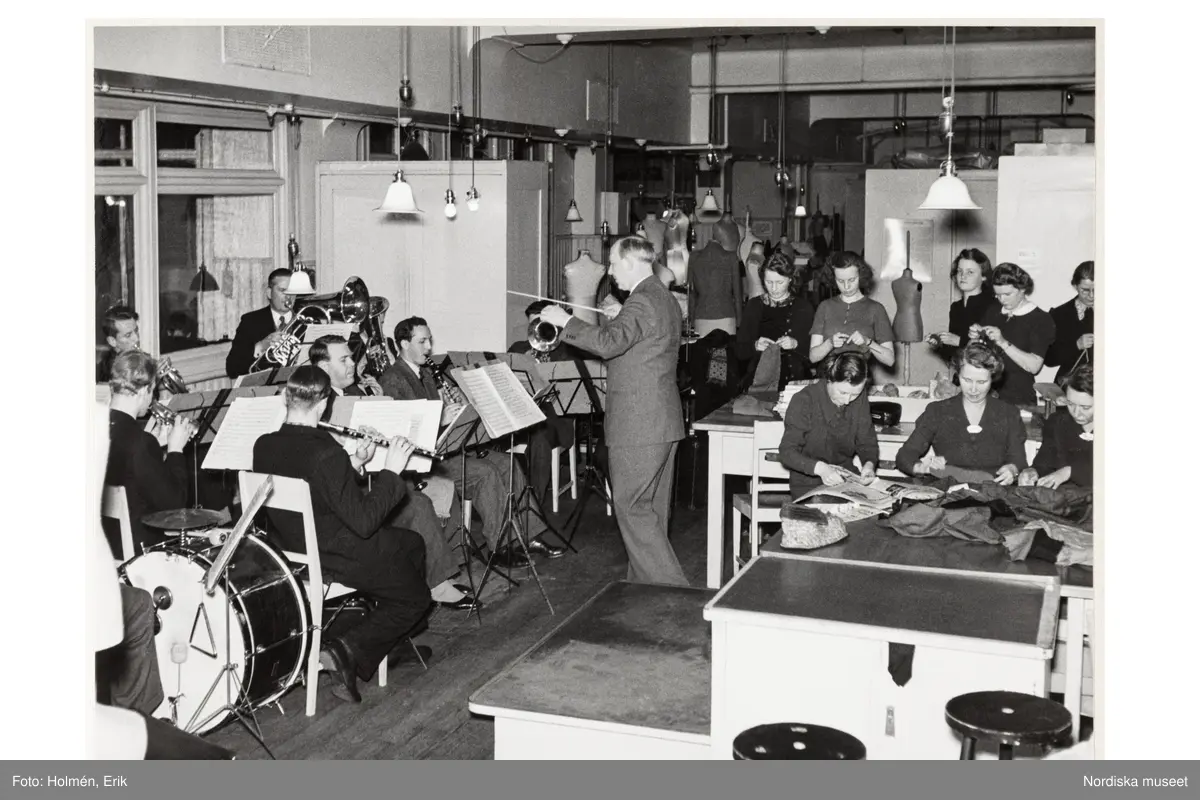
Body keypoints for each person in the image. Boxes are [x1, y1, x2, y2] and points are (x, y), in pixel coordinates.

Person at [253, 366, 433, 703]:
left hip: (293, 549)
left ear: (287, 399)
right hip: (337, 554)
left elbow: (315, 482)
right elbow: (364, 522)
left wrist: (355, 461)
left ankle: (386, 640)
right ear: (323, 404)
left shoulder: (264, 445)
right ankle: (346, 650)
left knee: (412, 544)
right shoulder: (326, 452)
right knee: (417, 599)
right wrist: (391, 471)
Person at [539, 236, 689, 586]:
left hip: (639, 424)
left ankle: (677, 597)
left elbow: (608, 345)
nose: (609, 270)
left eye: (614, 263)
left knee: (632, 509)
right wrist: (620, 317)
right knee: (651, 512)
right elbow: (639, 340)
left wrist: (565, 321)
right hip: (662, 421)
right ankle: (645, 592)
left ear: (632, 262)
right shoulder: (661, 297)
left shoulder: (641, 300)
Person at [378, 317, 565, 564]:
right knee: (485, 473)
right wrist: (441, 417)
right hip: (423, 460)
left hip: (446, 448)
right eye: (422, 341)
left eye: (429, 340)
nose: (429, 347)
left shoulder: (425, 372)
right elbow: (404, 431)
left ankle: (528, 536)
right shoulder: (393, 379)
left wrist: (460, 408)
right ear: (404, 344)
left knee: (508, 464)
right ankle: (499, 548)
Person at [310, 335, 477, 609]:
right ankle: (438, 585)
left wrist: (380, 401)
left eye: (351, 357)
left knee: (439, 487)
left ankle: (441, 570)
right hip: (351, 488)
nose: (353, 363)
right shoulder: (318, 403)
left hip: (375, 473)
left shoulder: (356, 391)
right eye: (344, 359)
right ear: (324, 367)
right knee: (416, 504)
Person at [896, 341, 1028, 484]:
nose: (973, 389)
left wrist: (1012, 469)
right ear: (958, 375)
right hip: (947, 488)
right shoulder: (938, 411)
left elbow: (1018, 459)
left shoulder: (1008, 413)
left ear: (992, 379)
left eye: (981, 382)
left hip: (993, 489)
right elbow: (905, 455)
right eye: (967, 380)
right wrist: (921, 467)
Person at [105, 350, 197, 553]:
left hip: (102, 548)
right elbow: (175, 507)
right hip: (140, 552)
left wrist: (154, 442)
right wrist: (175, 450)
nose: (151, 399)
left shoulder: (94, 426)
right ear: (144, 390)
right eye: (152, 391)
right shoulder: (141, 443)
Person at [777, 352, 879, 498]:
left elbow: (867, 442)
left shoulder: (859, 399)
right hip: (808, 484)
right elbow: (787, 453)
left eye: (855, 394)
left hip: (845, 480)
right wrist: (821, 469)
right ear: (829, 379)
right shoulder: (804, 400)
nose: (847, 400)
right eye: (842, 392)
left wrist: (869, 465)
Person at [508, 301, 581, 504]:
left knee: (538, 436)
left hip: (554, 418)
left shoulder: (567, 351)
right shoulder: (518, 349)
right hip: (521, 413)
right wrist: (523, 364)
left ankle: (533, 503)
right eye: (532, 325)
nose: (536, 330)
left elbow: (571, 394)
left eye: (540, 324)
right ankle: (500, 495)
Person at [971, 262, 1057, 406]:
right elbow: (978, 352)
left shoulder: (1041, 319)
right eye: (998, 295)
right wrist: (975, 337)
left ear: (1022, 289)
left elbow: (1034, 366)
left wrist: (1003, 342)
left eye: (1007, 294)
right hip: (986, 393)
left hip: (1018, 398)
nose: (1002, 300)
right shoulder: (993, 311)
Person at [735, 250, 816, 391]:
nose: (774, 288)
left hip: (794, 379)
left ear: (790, 279)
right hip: (760, 380)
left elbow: (814, 354)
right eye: (768, 282)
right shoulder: (754, 306)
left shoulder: (803, 308)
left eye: (779, 282)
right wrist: (755, 345)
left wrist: (795, 344)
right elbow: (739, 351)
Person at [808, 251, 896, 368]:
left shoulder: (876, 309)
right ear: (833, 278)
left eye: (851, 280)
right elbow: (813, 357)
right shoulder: (825, 307)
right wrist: (829, 343)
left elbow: (890, 359)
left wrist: (868, 342)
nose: (846, 287)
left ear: (861, 276)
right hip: (828, 375)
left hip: (860, 375)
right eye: (840, 281)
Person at [1029, 364, 1094, 489]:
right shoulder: (1057, 422)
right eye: (1070, 404)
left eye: (1085, 407)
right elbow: (1043, 463)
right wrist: (1032, 471)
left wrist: (1070, 472)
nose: (1076, 413)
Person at [225, 268, 296, 379]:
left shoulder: (307, 320)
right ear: (269, 293)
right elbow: (232, 369)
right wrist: (260, 346)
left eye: (292, 291)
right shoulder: (250, 321)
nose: (288, 297)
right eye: (282, 290)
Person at [928, 248, 998, 355]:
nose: (963, 276)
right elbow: (953, 352)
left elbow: (994, 349)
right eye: (960, 271)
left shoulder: (993, 305)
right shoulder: (956, 307)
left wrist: (959, 341)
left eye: (970, 272)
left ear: (983, 276)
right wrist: (939, 343)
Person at [1044, 261, 1095, 383]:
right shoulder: (1059, 314)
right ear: (1075, 286)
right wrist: (1076, 345)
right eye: (1085, 290)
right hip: (1071, 384)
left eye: (1096, 289)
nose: (1092, 295)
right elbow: (1049, 359)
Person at [97, 304, 141, 382]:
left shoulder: (131, 359)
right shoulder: (115, 370)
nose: (136, 338)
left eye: (136, 331)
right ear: (112, 341)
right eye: (128, 335)